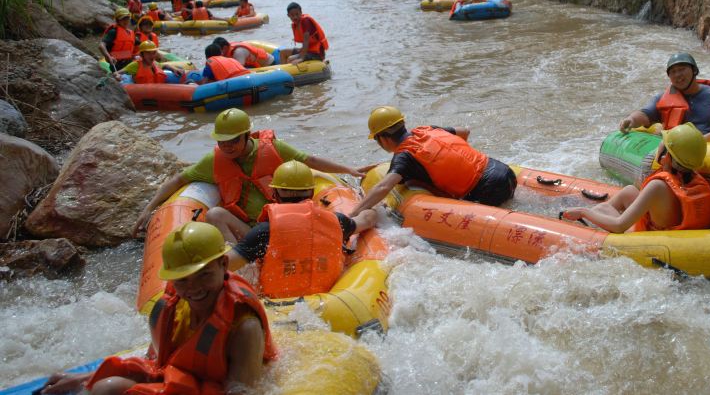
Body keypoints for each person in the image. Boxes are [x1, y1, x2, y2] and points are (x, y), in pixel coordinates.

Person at [41, 221, 277, 395]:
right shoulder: (166, 308)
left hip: (212, 387)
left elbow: (243, 390)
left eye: (203, 275)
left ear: (224, 264)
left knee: (108, 390)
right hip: (187, 380)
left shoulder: (244, 326)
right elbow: (156, 364)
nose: (193, 289)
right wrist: (87, 377)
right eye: (182, 279)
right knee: (105, 387)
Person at [133, 109, 369, 244]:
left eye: (234, 140)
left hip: (283, 222)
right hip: (248, 231)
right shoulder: (213, 162)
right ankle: (241, 263)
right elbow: (177, 181)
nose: (228, 147)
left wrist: (348, 170)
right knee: (214, 214)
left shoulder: (274, 148)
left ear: (247, 136)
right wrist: (149, 208)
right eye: (222, 142)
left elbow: (311, 161)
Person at [226, 161, 378, 298]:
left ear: (275, 194)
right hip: (329, 301)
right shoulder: (336, 221)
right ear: (312, 193)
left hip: (277, 306)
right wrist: (375, 210)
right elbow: (367, 219)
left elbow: (225, 267)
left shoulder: (264, 231)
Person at [351, 106, 517, 218]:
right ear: (402, 124)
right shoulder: (426, 130)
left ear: (382, 138)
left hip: (488, 189)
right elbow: (464, 132)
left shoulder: (404, 157)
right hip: (503, 171)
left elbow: (383, 187)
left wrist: (353, 214)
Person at [561, 123, 710, 233]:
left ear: (666, 156)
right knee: (629, 191)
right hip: (670, 226)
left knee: (602, 208)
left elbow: (619, 226)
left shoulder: (658, 186)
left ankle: (586, 228)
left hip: (649, 237)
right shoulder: (693, 179)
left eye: (662, 144)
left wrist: (583, 212)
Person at [619, 53, 710, 135]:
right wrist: (631, 120)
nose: (677, 75)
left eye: (682, 69)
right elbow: (645, 114)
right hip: (678, 150)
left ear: (694, 71)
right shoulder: (662, 98)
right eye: (673, 72)